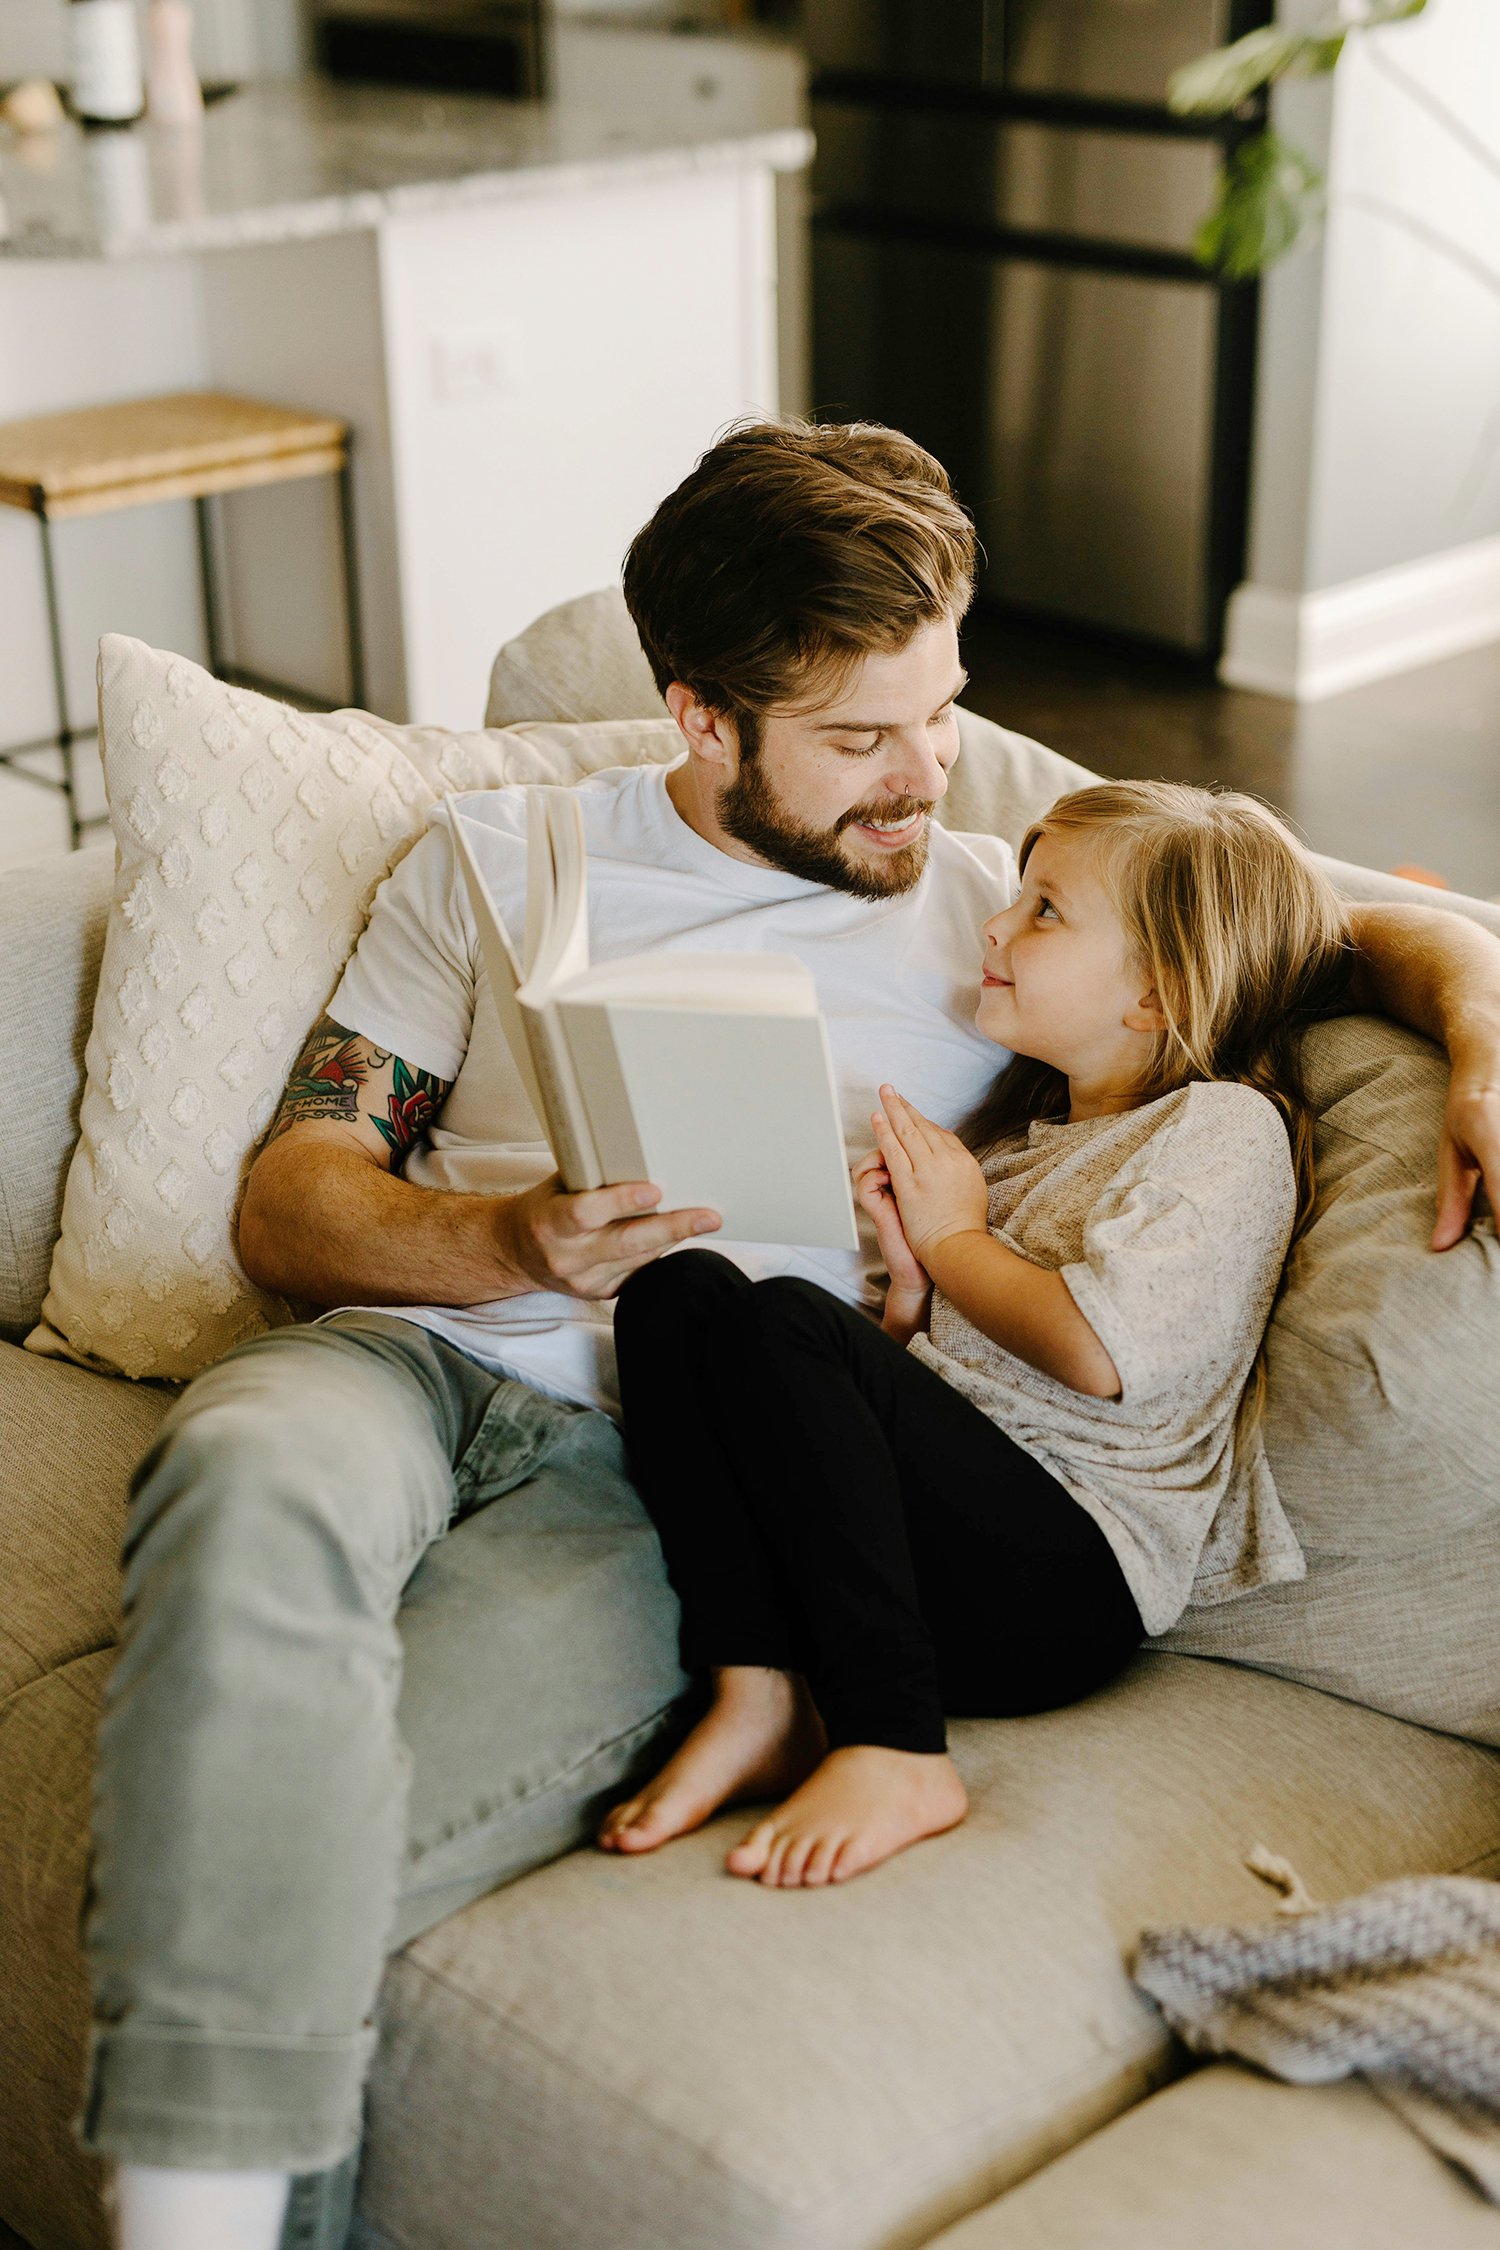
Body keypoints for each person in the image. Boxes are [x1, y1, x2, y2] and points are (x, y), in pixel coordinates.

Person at [83, 421, 1500, 2250]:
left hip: (672, 1467)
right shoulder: (496, 858)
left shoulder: (1011, 913)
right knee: (236, 1488)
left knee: (347, 1787)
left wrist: (1484, 1023)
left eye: (944, 713)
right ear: (700, 717)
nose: (926, 776)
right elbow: (292, 1201)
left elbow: (1340, 922)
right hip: (401, 1355)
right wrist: (506, 1235)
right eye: (859, 740)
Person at [600, 782, 1347, 1886]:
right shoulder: (1020, 1141)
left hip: (1065, 1583)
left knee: (788, 1320)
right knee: (677, 1290)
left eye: (1046, 911)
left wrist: (953, 1238)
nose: (995, 926)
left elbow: (1101, 1355)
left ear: (1160, 994)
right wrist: (912, 1287)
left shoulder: (1222, 1128)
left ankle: (896, 1746)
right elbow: (937, 1393)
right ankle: (758, 1688)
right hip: (944, 1545)